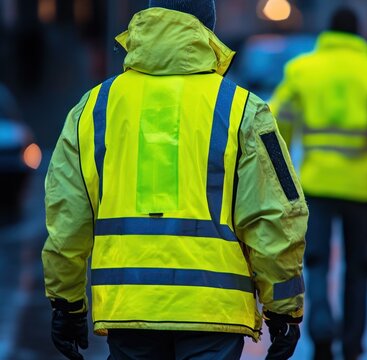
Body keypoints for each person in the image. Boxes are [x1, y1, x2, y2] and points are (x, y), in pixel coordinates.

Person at [42, 1, 308, 359]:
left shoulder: (93, 108)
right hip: (213, 313)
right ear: (208, 29)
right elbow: (276, 216)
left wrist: (66, 303)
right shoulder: (242, 110)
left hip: (128, 310)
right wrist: (284, 309)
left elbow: (66, 216)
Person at [269, 7, 367, 360]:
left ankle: (321, 329)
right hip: (360, 189)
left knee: (315, 261)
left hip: (315, 185)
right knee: (358, 266)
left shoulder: (301, 70)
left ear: (328, 33)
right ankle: (352, 341)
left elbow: (275, 126)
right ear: (359, 33)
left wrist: (276, 174)